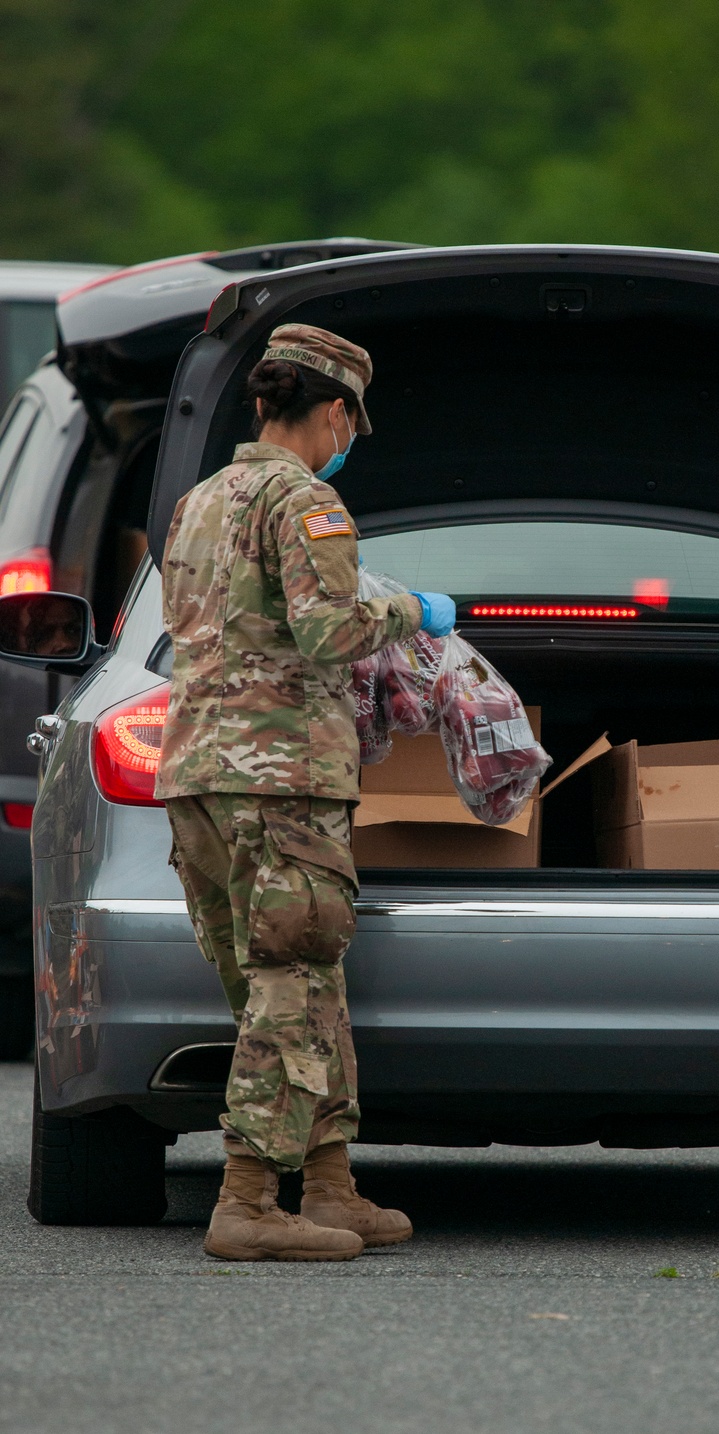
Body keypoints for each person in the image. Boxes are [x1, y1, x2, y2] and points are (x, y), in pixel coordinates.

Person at [156, 323, 456, 1262]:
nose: (348, 442)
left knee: (288, 984)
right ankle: (246, 1204)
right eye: (349, 425)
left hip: (199, 774)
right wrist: (415, 610)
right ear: (332, 412)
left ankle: (330, 1186)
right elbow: (331, 633)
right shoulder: (306, 501)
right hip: (281, 781)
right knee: (291, 983)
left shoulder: (198, 501)